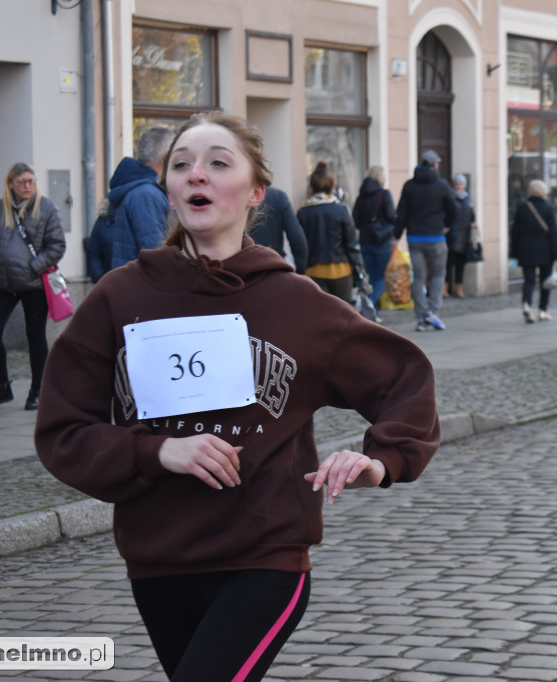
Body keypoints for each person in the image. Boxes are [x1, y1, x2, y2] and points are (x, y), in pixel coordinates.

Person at [33, 111, 440, 682]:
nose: (196, 174)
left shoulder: (298, 304)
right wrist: (157, 451)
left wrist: (381, 459)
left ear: (255, 193)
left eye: (218, 163)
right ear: (168, 188)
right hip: (158, 560)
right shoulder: (117, 299)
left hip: (262, 558)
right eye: (181, 164)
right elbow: (63, 432)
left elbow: (405, 377)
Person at [0, 162, 66, 410]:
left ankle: (38, 390)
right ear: (11, 185)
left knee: (35, 337)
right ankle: (2, 387)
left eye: (31, 181)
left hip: (33, 283)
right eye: (22, 182)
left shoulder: (46, 208)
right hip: (2, 283)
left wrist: (33, 266)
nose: (27, 186)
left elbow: (57, 246)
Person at [395, 150, 457, 332]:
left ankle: (421, 317)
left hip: (414, 238)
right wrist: (448, 225)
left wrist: (396, 236)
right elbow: (453, 209)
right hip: (436, 237)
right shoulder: (442, 186)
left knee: (419, 277)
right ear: (435, 165)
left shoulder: (409, 186)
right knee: (438, 274)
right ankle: (433, 312)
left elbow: (401, 213)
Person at [105, 125, 175, 272]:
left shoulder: (141, 189)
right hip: (144, 288)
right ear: (166, 155)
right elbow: (156, 252)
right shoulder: (146, 194)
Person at [297, 161, 366, 301]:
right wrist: (359, 268)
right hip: (341, 271)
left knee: (319, 317)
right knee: (344, 316)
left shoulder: (303, 212)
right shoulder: (341, 209)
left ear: (312, 187)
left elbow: (300, 245)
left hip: (313, 271)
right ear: (332, 188)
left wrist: (299, 270)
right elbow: (352, 244)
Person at [510, 179, 557, 323]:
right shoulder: (548, 209)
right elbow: (554, 234)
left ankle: (526, 304)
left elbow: (515, 232)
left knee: (529, 280)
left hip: (526, 249)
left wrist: (513, 253)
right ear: (544, 192)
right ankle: (543, 311)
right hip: (545, 250)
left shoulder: (522, 208)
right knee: (546, 281)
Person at [352, 165, 397, 306]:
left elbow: (355, 220)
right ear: (380, 177)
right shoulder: (384, 194)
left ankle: (372, 311)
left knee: (371, 275)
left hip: (365, 241)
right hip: (382, 240)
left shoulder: (361, 196)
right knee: (383, 277)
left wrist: (367, 227)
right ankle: (369, 302)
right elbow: (392, 217)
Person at [249, 185, 308, 274]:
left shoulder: (235, 196)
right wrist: (300, 272)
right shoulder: (278, 197)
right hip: (274, 268)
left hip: (243, 274)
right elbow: (298, 240)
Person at [445, 173, 475, 299]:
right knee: (448, 264)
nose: (458, 186)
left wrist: (473, 223)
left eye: (461, 184)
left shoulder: (469, 199)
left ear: (464, 185)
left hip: (464, 235)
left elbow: (472, 215)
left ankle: (459, 289)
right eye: (457, 184)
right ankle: (444, 289)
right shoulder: (450, 198)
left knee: (460, 265)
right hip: (452, 235)